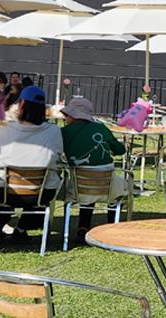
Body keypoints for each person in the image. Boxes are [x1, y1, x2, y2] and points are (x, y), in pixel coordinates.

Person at [0, 85, 63, 244]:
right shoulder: (54, 131)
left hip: (4, 191)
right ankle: (21, 229)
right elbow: (58, 156)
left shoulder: (6, 129)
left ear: (21, 104)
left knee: (0, 186)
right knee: (46, 189)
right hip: (38, 194)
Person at [60, 97, 126, 247]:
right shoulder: (101, 128)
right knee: (118, 188)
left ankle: (83, 227)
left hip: (79, 187)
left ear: (74, 115)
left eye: (67, 115)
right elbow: (120, 150)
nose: (65, 118)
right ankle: (111, 226)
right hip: (107, 187)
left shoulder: (63, 132)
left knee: (86, 191)